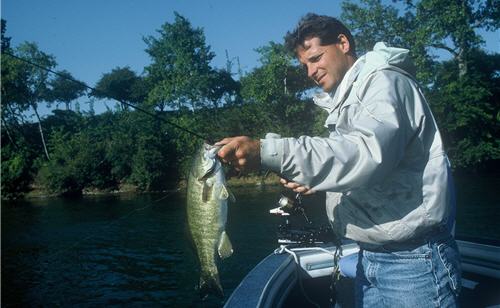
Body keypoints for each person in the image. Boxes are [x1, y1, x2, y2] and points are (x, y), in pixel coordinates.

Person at [216, 13, 461, 307]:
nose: (310, 71)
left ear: (343, 43)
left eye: (316, 57)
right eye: (304, 65)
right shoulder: (350, 98)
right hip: (370, 255)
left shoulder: (384, 82)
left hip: (413, 261)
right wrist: (318, 183)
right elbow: (362, 170)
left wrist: (269, 152)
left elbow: (367, 155)